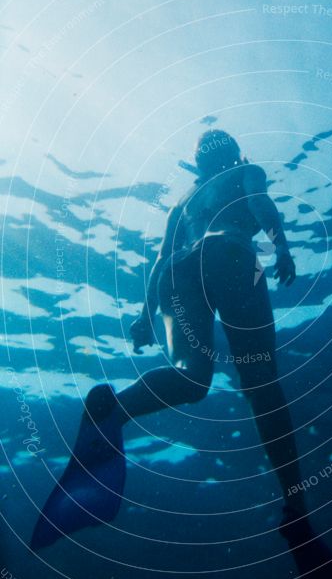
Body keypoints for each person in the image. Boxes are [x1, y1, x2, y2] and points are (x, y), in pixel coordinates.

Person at [31, 130, 306, 549]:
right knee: (261, 382)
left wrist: (144, 316)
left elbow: (161, 258)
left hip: (179, 273)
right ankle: (295, 502)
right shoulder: (247, 172)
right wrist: (281, 246)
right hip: (229, 254)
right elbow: (258, 203)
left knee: (191, 377)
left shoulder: (184, 202)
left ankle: (115, 410)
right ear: (236, 154)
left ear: (197, 163)